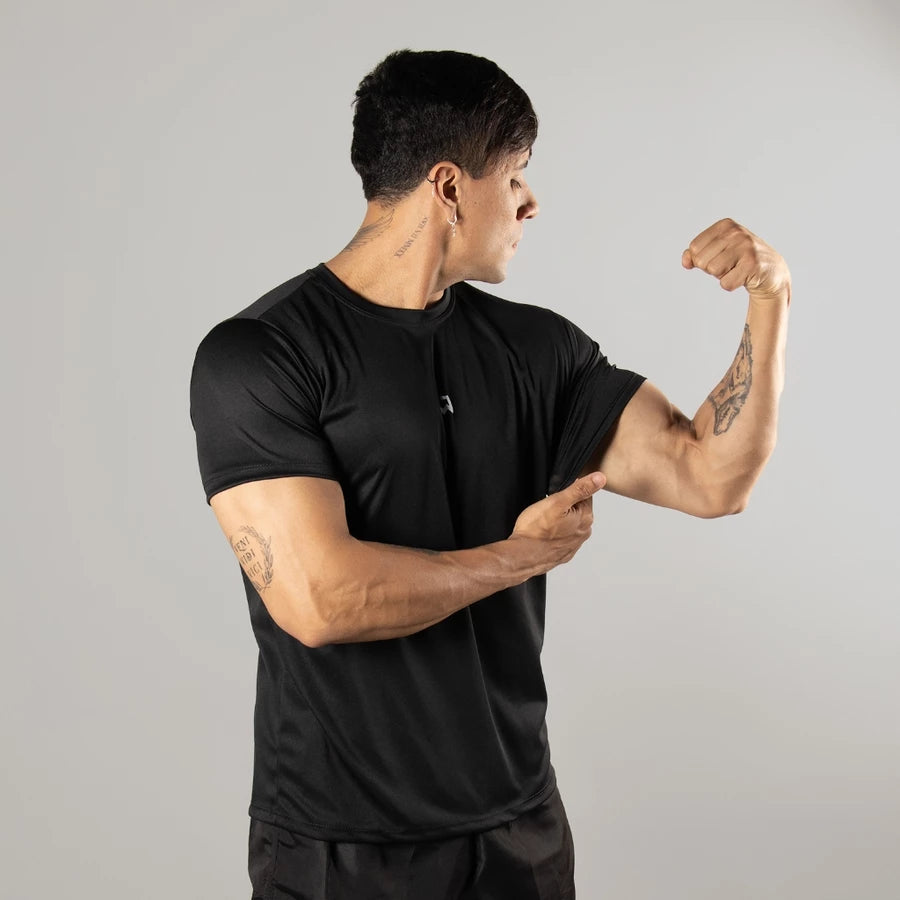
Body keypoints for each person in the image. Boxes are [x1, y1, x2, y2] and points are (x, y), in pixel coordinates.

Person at [189, 49, 790, 900]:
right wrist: (518, 558)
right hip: (337, 846)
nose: (530, 202)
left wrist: (771, 298)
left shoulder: (537, 350)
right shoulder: (261, 355)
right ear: (449, 187)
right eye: (514, 175)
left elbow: (712, 478)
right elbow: (321, 601)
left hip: (518, 835)